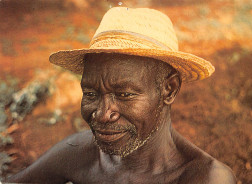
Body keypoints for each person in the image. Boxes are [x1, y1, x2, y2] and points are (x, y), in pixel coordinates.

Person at [4, 7, 236, 184]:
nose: (103, 115)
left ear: (169, 89)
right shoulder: (80, 152)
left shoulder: (205, 178)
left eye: (124, 94)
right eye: (91, 93)